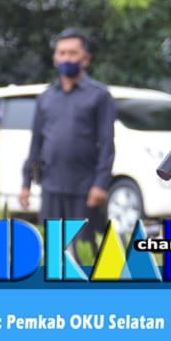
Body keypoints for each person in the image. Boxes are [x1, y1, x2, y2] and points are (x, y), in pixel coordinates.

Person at [18, 29, 116, 240]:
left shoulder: (99, 96)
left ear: (85, 59)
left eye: (73, 53)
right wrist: (26, 183)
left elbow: (107, 143)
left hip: (85, 189)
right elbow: (36, 143)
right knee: (52, 247)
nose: (67, 58)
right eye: (62, 53)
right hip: (51, 187)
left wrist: (100, 184)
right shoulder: (46, 98)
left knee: (83, 250)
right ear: (55, 59)